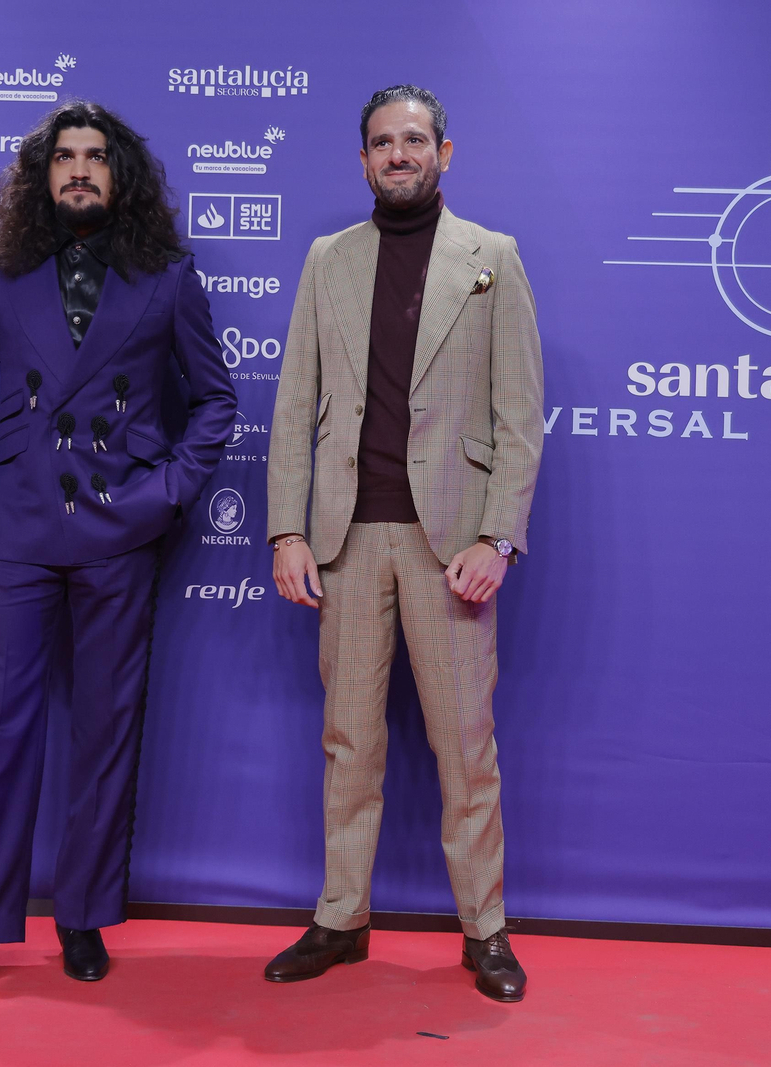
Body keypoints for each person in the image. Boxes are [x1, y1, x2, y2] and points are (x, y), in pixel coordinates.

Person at [0, 101, 235, 1003]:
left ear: (120, 173)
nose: (79, 171)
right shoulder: (0, 269)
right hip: (18, 525)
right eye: (64, 157)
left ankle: (83, 914)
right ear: (41, 173)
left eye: (96, 157)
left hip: (119, 530)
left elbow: (215, 401)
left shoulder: (168, 275)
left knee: (107, 729)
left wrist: (163, 492)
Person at [264, 85, 544, 1002]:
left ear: (445, 153)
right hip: (345, 540)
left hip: (450, 545)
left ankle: (486, 929)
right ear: (363, 160)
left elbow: (520, 423)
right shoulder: (326, 260)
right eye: (383, 142)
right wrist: (287, 528)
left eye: (414, 140)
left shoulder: (492, 259)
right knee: (349, 742)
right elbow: (292, 408)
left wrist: (499, 539)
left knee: (466, 745)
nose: (399, 154)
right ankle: (342, 917)